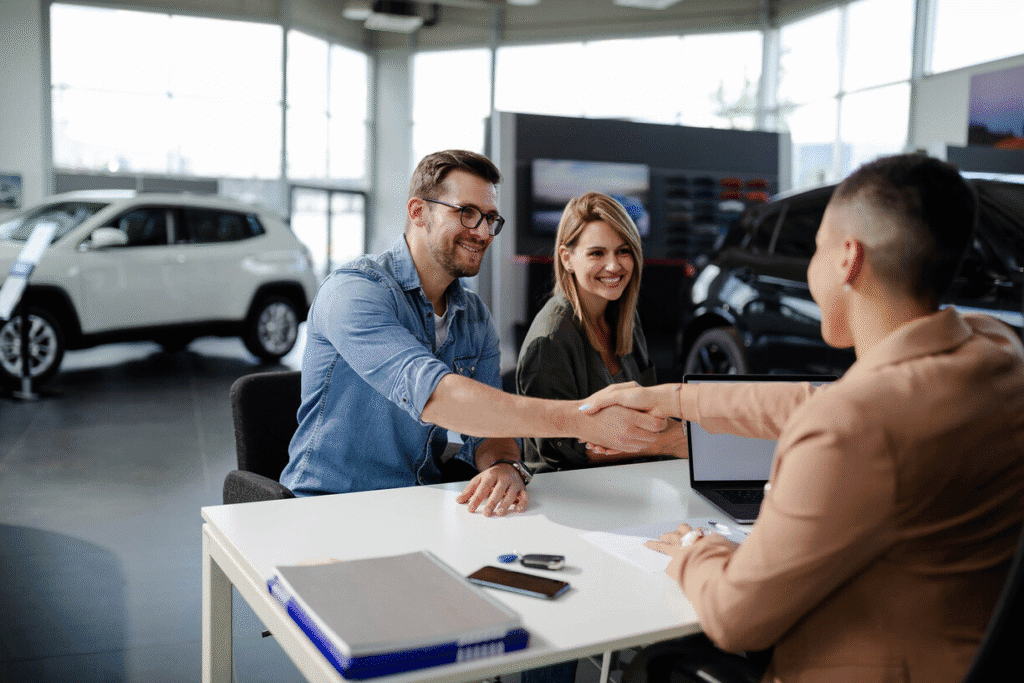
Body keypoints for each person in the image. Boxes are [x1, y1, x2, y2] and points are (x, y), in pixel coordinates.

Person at [585, 154, 1024, 683]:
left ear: (847, 260)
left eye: (814, 249)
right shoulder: (996, 351)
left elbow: (732, 618)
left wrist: (696, 548)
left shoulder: (852, 427)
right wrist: (676, 398)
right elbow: (826, 399)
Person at [281, 150, 664, 516]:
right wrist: (583, 420)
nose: (482, 232)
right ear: (418, 212)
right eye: (467, 214)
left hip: (418, 503)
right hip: (328, 506)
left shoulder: (474, 316)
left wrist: (503, 465)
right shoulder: (355, 292)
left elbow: (490, 430)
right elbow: (438, 397)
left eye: (490, 219)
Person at [517, 192, 687, 472]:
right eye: (597, 253)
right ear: (567, 258)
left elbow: (649, 409)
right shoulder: (550, 340)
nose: (614, 265)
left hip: (631, 482)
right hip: (572, 497)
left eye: (623, 251)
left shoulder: (625, 319)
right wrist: (667, 443)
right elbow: (561, 453)